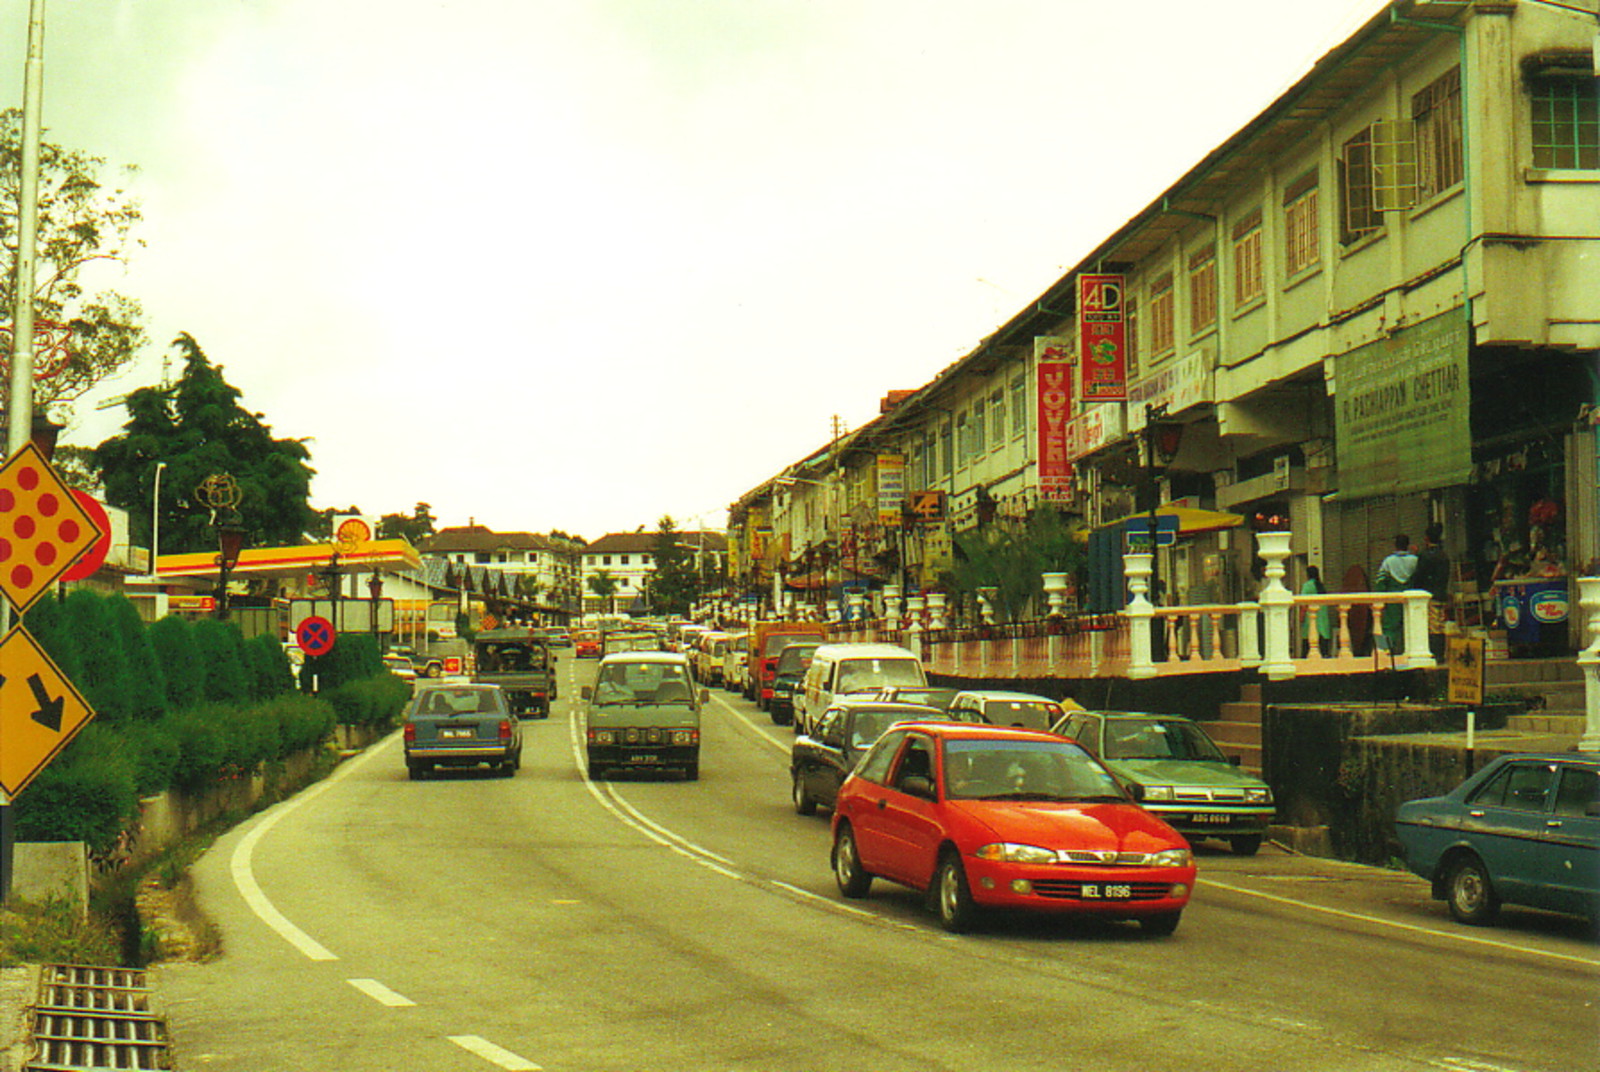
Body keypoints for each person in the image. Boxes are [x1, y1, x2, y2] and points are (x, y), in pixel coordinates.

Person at [1412, 523, 1450, 659]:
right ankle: (1441, 653)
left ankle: (1436, 654)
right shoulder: (1443, 555)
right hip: (1441, 594)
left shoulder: (1426, 556)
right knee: (1440, 625)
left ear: (1427, 538)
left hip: (1429, 595)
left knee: (1432, 626)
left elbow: (1419, 575)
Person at [1375, 535, 1418, 653]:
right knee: (1409, 626)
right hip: (1410, 598)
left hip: (1392, 599)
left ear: (1395, 545)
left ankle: (1384, 651)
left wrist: (1379, 598)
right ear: (1407, 545)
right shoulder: (1414, 560)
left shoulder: (1388, 561)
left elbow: (1380, 581)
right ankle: (1408, 651)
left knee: (1387, 626)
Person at [1300, 564, 1333, 657]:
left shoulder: (1307, 586)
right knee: (1323, 651)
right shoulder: (1321, 586)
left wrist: (1301, 617)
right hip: (1323, 622)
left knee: (1307, 649)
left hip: (1310, 621)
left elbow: (1303, 604)